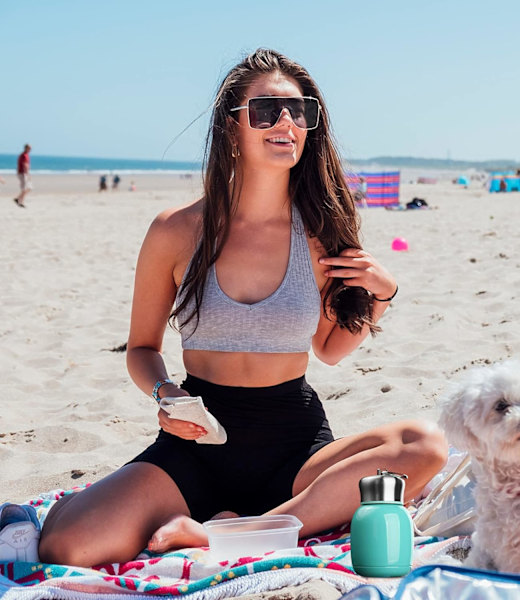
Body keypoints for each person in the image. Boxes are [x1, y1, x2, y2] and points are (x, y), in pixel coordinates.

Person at [38, 48, 447, 567]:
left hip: (295, 445)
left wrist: (381, 297)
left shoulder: (321, 233)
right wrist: (165, 394)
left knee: (426, 445)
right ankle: (251, 526)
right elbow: (142, 348)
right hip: (199, 440)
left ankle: (235, 531)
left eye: (299, 112)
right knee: (68, 545)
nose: (285, 123)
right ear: (232, 128)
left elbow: (330, 350)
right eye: (266, 111)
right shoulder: (175, 230)